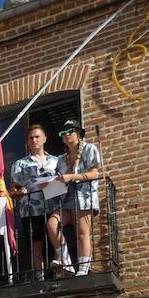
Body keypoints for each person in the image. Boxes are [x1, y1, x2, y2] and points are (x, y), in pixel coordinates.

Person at [8, 124, 61, 278]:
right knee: (36, 243)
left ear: (45, 138)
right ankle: (39, 275)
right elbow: (12, 189)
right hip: (30, 208)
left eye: (37, 136)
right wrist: (19, 191)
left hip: (54, 205)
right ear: (27, 142)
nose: (34, 140)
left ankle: (59, 271)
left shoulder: (57, 161)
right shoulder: (20, 164)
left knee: (55, 237)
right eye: (31, 138)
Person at [50, 118, 102, 276]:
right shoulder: (61, 159)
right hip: (65, 198)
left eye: (70, 131)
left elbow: (95, 173)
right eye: (63, 133)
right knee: (52, 224)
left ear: (78, 133)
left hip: (84, 195)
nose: (66, 135)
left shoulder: (89, 149)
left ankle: (83, 269)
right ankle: (65, 259)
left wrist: (73, 176)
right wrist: (48, 184)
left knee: (82, 232)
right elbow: (59, 178)